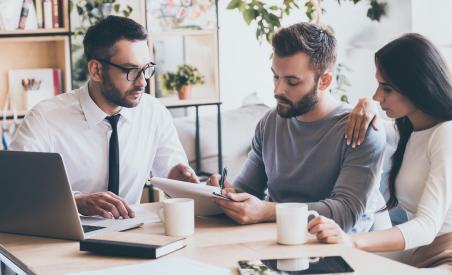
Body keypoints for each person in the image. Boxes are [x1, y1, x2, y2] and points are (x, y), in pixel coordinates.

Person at [308, 33, 452, 274]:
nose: (378, 96)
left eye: (386, 88)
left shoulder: (450, 134)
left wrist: (351, 241)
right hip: (421, 258)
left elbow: (426, 227)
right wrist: (367, 104)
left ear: (417, 86)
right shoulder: (406, 132)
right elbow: (366, 131)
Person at [10, 16, 198, 219]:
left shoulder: (154, 112)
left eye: (145, 69)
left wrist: (182, 183)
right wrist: (76, 202)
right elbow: (14, 190)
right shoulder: (45, 118)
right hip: (65, 240)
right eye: (131, 71)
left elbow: (175, 180)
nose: (142, 82)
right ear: (96, 70)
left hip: (131, 234)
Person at [207, 22, 387, 233]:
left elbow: (345, 213)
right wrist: (226, 194)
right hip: (275, 240)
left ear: (325, 81)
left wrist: (268, 211)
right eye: (276, 76)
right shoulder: (270, 122)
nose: (277, 90)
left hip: (337, 251)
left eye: (292, 82)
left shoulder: (360, 128)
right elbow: (247, 189)